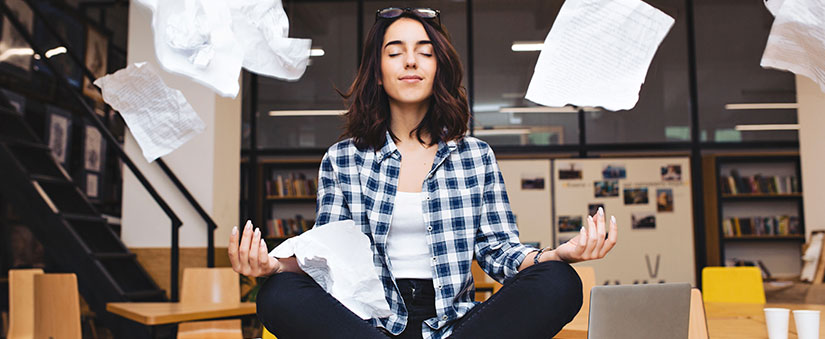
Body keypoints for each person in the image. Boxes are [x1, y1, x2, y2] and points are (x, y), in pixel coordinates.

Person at [228, 7, 618, 339]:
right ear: (378, 72)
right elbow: (330, 257)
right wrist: (273, 266)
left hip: (456, 324)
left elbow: (499, 252)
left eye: (424, 53)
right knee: (277, 294)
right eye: (395, 53)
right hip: (370, 325)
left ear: (438, 68)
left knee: (561, 281)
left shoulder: (475, 156)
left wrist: (556, 254)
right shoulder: (343, 159)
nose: (411, 62)